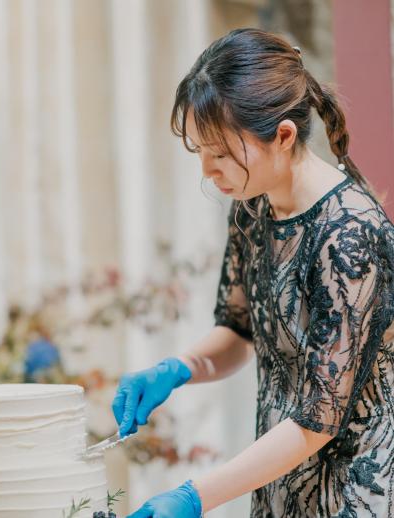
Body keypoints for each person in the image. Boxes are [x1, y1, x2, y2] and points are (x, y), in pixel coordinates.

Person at [112, 27, 394, 518]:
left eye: (220, 153)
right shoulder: (253, 207)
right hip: (283, 489)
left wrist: (195, 496)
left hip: (357, 494)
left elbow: (317, 420)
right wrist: (176, 370)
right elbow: (240, 330)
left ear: (283, 136)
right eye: (200, 151)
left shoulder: (350, 234)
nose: (207, 170)